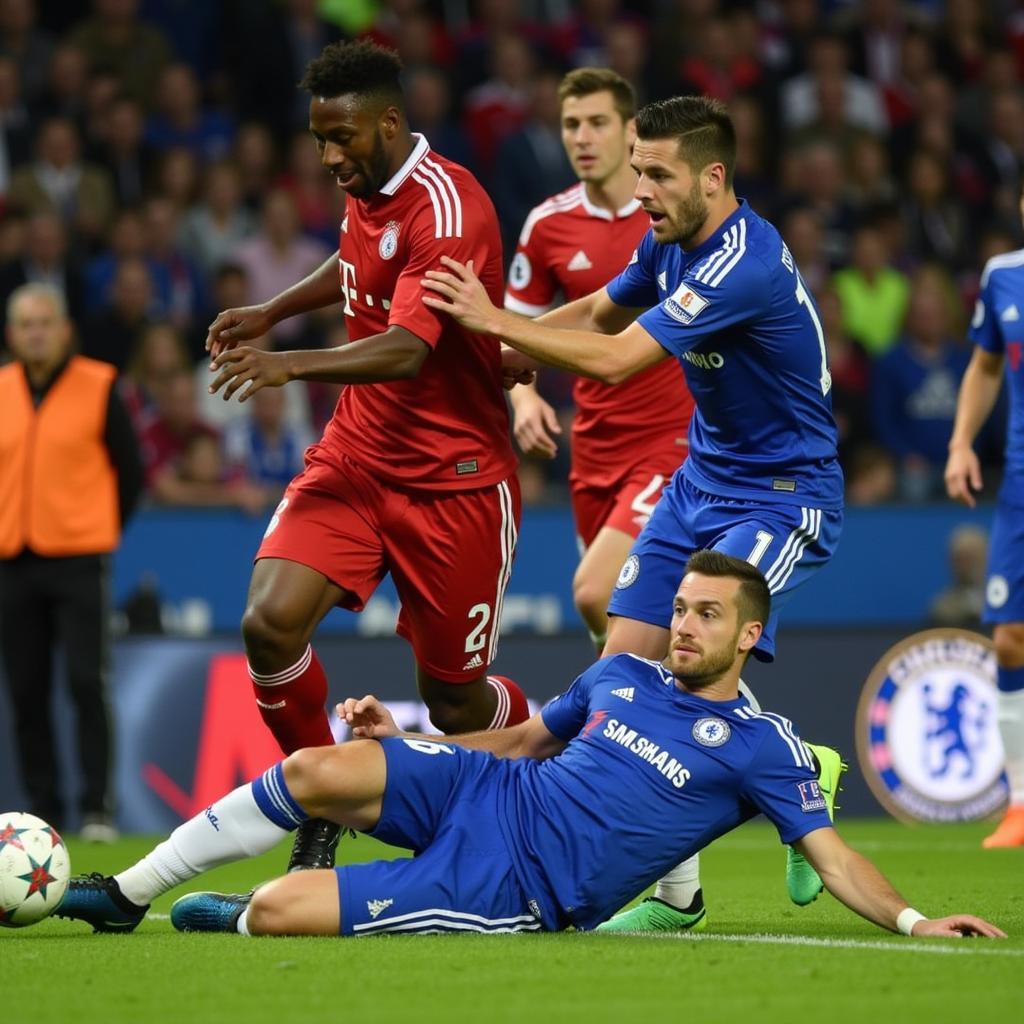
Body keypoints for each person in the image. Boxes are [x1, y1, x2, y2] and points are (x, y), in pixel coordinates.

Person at [55, 552, 1005, 942]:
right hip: (486, 792)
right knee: (314, 770)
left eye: (705, 615)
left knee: (273, 912)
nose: (681, 627)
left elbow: (833, 858)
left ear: (750, 635)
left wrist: (919, 923)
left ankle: (236, 909)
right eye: (677, 609)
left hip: (518, 886)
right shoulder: (621, 674)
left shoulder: (756, 746)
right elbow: (516, 739)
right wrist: (414, 736)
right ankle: (128, 893)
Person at [421, 95, 844, 932]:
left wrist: (492, 318)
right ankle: (680, 896)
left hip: (784, 495)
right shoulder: (669, 242)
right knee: (626, 682)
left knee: (703, 645)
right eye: (639, 169)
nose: (640, 189)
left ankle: (800, 767)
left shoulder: (741, 263)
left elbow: (615, 360)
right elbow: (597, 315)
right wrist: (504, 353)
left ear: (713, 177)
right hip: (700, 482)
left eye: (657, 174)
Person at [201, 40, 529, 874]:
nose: (328, 156)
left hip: (453, 483)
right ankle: (321, 802)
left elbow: (410, 348)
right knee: (268, 622)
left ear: (390, 122)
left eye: (342, 138)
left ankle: (551, 749)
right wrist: (274, 310)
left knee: (457, 704)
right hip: (357, 456)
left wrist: (289, 362)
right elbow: (357, 262)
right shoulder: (369, 187)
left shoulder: (449, 207)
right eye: (318, 140)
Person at [504, 67, 693, 653]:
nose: (582, 138)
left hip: (676, 440)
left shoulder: (673, 214)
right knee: (620, 616)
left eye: (596, 123)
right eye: (570, 125)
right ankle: (672, 719)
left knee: (594, 591)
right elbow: (516, 333)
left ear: (631, 130)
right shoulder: (548, 225)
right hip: (595, 447)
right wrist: (525, 398)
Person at [0, 283, 143, 841]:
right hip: (12, 557)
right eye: (25, 323)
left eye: (45, 321)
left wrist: (100, 527)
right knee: (25, 689)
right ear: (12, 335)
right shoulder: (2, 388)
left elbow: (130, 473)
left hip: (80, 556)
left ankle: (95, 809)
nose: (36, 332)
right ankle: (43, 807)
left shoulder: (99, 384)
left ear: (65, 330)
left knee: (87, 681)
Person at [945, 193, 1024, 848]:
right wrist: (961, 442)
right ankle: (1021, 802)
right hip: (1020, 486)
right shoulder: (1003, 275)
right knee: (1008, 640)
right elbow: (985, 365)